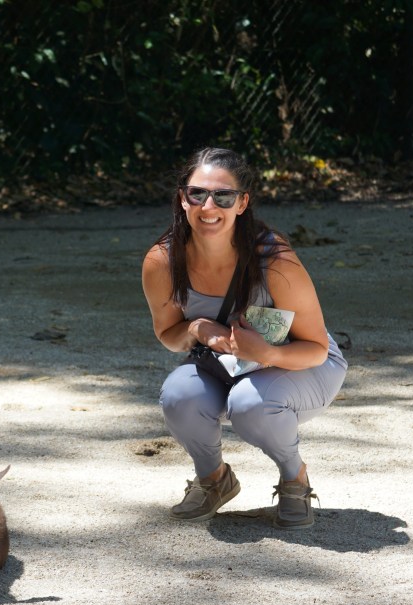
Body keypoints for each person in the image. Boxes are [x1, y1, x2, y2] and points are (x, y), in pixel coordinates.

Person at [141, 147, 347, 529]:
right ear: (182, 199)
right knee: (178, 396)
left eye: (223, 196)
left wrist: (267, 352)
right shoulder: (162, 261)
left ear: (242, 203)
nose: (208, 206)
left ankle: (294, 478)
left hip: (303, 364)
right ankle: (214, 479)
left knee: (250, 404)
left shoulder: (275, 259)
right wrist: (196, 328)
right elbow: (168, 335)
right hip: (227, 365)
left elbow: (316, 348)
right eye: (197, 194)